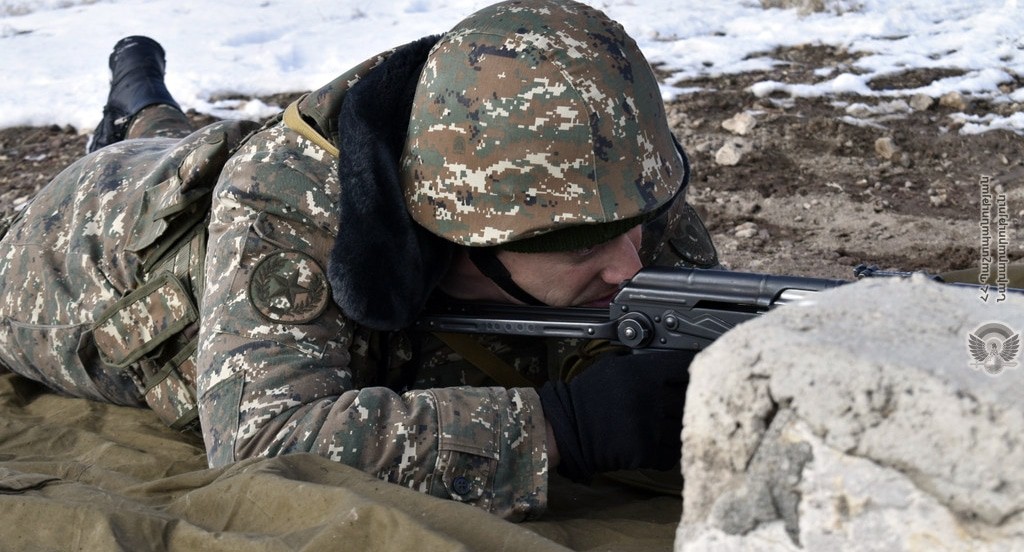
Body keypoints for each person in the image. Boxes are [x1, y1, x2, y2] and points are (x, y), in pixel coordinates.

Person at [0, 0, 718, 520]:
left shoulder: (594, 168)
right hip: (72, 254)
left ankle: (142, 100)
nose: (631, 266)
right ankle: (135, 115)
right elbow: (265, 447)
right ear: (462, 232)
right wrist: (562, 427)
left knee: (170, 137)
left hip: (200, 172)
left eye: (640, 226)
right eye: (585, 249)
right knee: (146, 169)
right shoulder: (286, 206)